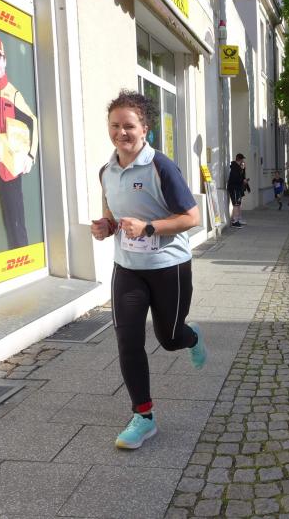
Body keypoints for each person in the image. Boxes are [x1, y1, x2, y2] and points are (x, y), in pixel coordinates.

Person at [91, 90, 206, 449]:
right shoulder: (106, 171)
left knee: (169, 338)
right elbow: (112, 216)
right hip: (128, 269)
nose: (121, 133)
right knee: (128, 340)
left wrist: (150, 227)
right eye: (115, 126)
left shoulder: (161, 167)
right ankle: (143, 416)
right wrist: (106, 227)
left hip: (168, 266)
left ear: (145, 129)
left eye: (129, 126)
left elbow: (192, 217)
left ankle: (191, 337)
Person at [0, 35, 39, 250]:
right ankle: (12, 254)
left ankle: (22, 255)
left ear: (5, 60)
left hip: (15, 163)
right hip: (1, 162)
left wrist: (30, 155)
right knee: (6, 213)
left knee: (17, 214)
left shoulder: (13, 93)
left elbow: (32, 121)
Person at [227, 153, 247, 228]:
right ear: (240, 159)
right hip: (234, 188)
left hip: (238, 188)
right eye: (242, 159)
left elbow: (242, 177)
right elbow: (235, 179)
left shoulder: (238, 167)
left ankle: (238, 219)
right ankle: (235, 221)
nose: (243, 161)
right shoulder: (235, 167)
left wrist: (243, 169)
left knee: (238, 204)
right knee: (236, 204)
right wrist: (242, 181)